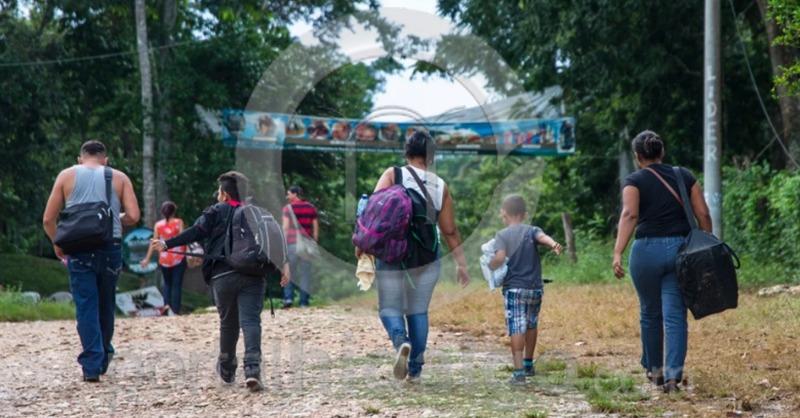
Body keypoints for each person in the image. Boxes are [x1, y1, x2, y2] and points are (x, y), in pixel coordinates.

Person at [150, 171, 289, 392]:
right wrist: (283, 265)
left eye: (218, 192)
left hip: (222, 275)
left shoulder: (217, 211)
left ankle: (227, 369)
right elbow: (274, 237)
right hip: (253, 275)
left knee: (228, 323)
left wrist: (167, 244)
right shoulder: (256, 212)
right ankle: (252, 370)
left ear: (224, 194)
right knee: (251, 321)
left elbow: (196, 232)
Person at [357, 131, 470, 383]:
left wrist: (362, 244)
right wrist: (462, 264)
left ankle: (401, 342)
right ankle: (416, 370)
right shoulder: (441, 186)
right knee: (418, 311)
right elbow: (450, 230)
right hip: (427, 255)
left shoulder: (394, 174)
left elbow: (372, 213)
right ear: (431, 157)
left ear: (407, 152)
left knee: (389, 307)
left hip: (394, 252)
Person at [612, 130, 712, 394]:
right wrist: (706, 246)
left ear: (637, 157)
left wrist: (618, 251)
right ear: (662, 152)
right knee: (675, 314)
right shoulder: (684, 176)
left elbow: (630, 215)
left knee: (650, 312)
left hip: (646, 252)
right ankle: (673, 378)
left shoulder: (634, 180)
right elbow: (703, 213)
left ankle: (654, 371)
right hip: (681, 251)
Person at [42, 140, 140, 382]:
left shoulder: (66, 176)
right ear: (105, 160)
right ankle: (104, 355)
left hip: (78, 249)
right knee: (106, 304)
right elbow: (134, 216)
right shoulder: (119, 177)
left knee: (86, 306)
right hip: (110, 248)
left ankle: (92, 366)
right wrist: (114, 218)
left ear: (80, 159)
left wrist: (57, 243)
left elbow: (48, 220)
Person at [488, 195, 562, 385]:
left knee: (516, 327)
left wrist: (491, 264)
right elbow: (543, 238)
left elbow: (500, 258)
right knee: (531, 324)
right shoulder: (532, 230)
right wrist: (553, 244)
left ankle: (519, 371)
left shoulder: (502, 235)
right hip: (535, 288)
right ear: (524, 214)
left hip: (514, 289)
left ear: (504, 213)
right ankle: (529, 363)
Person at [140, 201, 187, 314]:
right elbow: (184, 238)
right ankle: (175, 310)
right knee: (176, 285)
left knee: (167, 284)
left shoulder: (158, 225)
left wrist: (147, 259)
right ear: (174, 211)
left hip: (164, 260)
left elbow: (154, 243)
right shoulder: (178, 222)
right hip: (178, 257)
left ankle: (166, 307)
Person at [281, 185, 318, 308]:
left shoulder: (288, 209)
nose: (287, 196)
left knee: (288, 271)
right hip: (306, 246)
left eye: (289, 194)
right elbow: (315, 229)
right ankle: (303, 302)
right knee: (305, 274)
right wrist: (313, 243)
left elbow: (285, 228)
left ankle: (288, 299)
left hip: (291, 244)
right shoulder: (311, 208)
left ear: (295, 194)